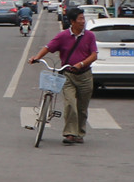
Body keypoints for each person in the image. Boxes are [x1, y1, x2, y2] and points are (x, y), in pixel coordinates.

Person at [29, 8, 99, 145]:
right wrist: (36, 58)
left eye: (83, 18)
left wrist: (81, 63)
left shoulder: (89, 36)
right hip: (68, 75)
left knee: (82, 108)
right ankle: (70, 134)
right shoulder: (63, 36)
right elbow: (48, 48)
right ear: (72, 21)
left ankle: (80, 133)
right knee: (70, 104)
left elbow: (94, 55)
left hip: (85, 75)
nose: (83, 21)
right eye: (80, 19)